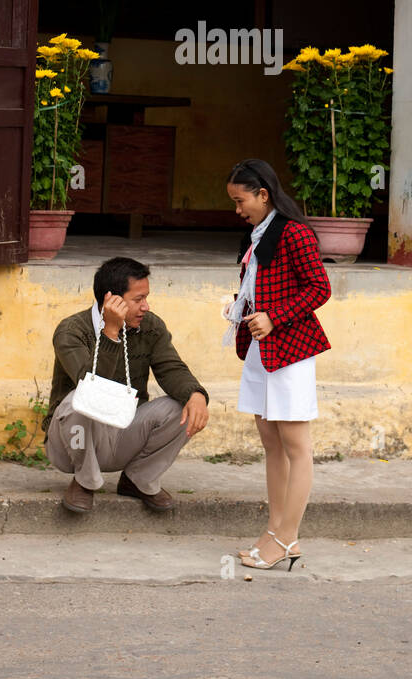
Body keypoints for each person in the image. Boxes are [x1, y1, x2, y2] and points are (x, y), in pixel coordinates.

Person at [224, 158, 332, 570]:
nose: (237, 209)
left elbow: (319, 289)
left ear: (263, 195)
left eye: (241, 200)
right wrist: (242, 309)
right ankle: (273, 531)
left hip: (290, 352)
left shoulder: (295, 233)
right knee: (271, 444)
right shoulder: (259, 233)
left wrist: (275, 316)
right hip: (260, 349)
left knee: (296, 447)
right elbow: (258, 288)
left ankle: (288, 537)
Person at [45, 256, 209, 514]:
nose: (146, 306)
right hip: (72, 442)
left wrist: (196, 394)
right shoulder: (72, 331)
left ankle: (138, 480)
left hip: (122, 431)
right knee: (79, 397)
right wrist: (111, 331)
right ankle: (84, 481)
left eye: (146, 298)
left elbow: (170, 367)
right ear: (113, 300)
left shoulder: (150, 326)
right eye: (138, 299)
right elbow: (91, 386)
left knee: (181, 405)